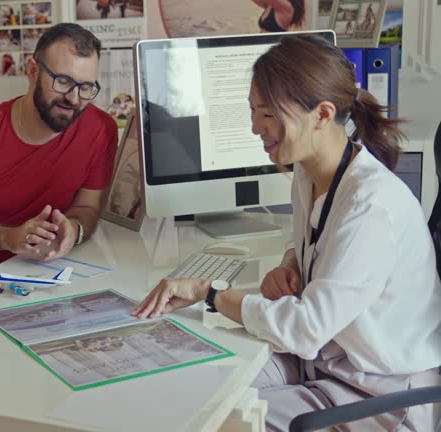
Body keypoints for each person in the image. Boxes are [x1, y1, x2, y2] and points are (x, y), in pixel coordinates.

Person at [133, 34, 441, 431]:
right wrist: (292, 260)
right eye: (253, 112)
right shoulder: (311, 173)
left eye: (268, 113)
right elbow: (318, 234)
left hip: (380, 394)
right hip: (326, 362)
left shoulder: (371, 207)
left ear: (323, 114)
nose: (255, 127)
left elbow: (305, 327)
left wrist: (208, 292)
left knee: (217, 420)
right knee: (195, 387)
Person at [0, 23, 118, 270]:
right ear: (33, 72)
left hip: (55, 270)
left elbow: (87, 207)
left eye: (86, 87)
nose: (74, 98)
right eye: (63, 81)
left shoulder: (102, 129)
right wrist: (9, 238)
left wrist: (74, 229)